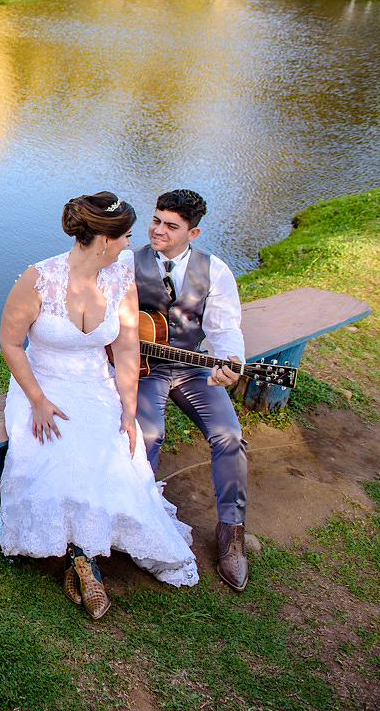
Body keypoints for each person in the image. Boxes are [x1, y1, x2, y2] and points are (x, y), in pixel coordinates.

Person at [0, 192, 198, 620]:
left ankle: (83, 555)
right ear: (104, 240)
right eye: (125, 236)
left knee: (117, 452)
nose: (131, 244)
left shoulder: (120, 278)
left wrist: (127, 408)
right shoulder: (38, 279)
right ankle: (81, 559)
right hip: (42, 384)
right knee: (56, 454)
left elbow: (126, 347)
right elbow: (11, 344)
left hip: (94, 383)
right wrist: (37, 401)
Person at [118, 189, 249, 591]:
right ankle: (139, 520)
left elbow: (226, 330)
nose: (157, 230)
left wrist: (229, 364)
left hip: (193, 369)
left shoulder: (216, 271)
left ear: (192, 233)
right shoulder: (126, 261)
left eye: (170, 226)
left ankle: (232, 532)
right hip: (143, 370)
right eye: (156, 220)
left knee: (230, 436)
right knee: (147, 435)